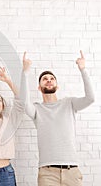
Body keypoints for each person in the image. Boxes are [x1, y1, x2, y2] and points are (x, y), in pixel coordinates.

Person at [23, 51, 95, 186]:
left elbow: (91, 98)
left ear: (57, 85)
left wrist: (83, 69)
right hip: (47, 173)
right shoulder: (37, 109)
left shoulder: (69, 103)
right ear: (39, 87)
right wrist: (25, 72)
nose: (49, 80)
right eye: (45, 79)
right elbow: (24, 103)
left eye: (52, 79)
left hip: (71, 171)